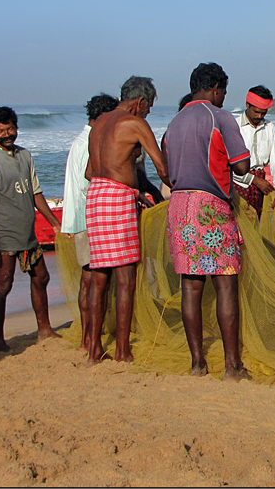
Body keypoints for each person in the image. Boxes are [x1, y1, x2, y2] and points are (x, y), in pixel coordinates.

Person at [163, 62, 252, 380]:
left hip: (179, 206)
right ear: (215, 88)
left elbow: (164, 164)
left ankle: (198, 363)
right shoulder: (220, 117)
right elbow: (241, 166)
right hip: (210, 205)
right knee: (226, 282)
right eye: (223, 92)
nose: (224, 98)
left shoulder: (173, 123)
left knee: (191, 285)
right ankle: (232, 366)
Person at [85, 76, 170, 365]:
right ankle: (122, 350)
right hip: (118, 196)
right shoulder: (135, 123)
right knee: (125, 278)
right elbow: (161, 167)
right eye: (149, 107)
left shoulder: (98, 124)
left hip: (95, 195)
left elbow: (88, 172)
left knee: (99, 277)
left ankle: (94, 348)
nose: (148, 113)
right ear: (140, 102)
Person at [0, 106, 62, 352]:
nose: (7, 134)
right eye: (1, 130)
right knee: (4, 284)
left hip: (28, 234)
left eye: (10, 129)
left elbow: (35, 193)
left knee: (41, 277)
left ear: (16, 128)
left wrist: (53, 222)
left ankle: (44, 329)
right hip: (4, 235)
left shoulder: (25, 156)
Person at [61, 93, 118, 352]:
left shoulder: (80, 140)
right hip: (88, 218)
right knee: (93, 281)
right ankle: (88, 339)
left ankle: (87, 337)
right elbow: (90, 181)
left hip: (78, 218)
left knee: (89, 280)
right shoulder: (90, 142)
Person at [232, 85, 275, 219]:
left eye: (263, 113)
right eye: (256, 111)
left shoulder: (269, 127)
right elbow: (228, 165)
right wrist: (254, 180)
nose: (259, 116)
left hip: (261, 185)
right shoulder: (234, 126)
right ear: (247, 105)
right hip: (238, 184)